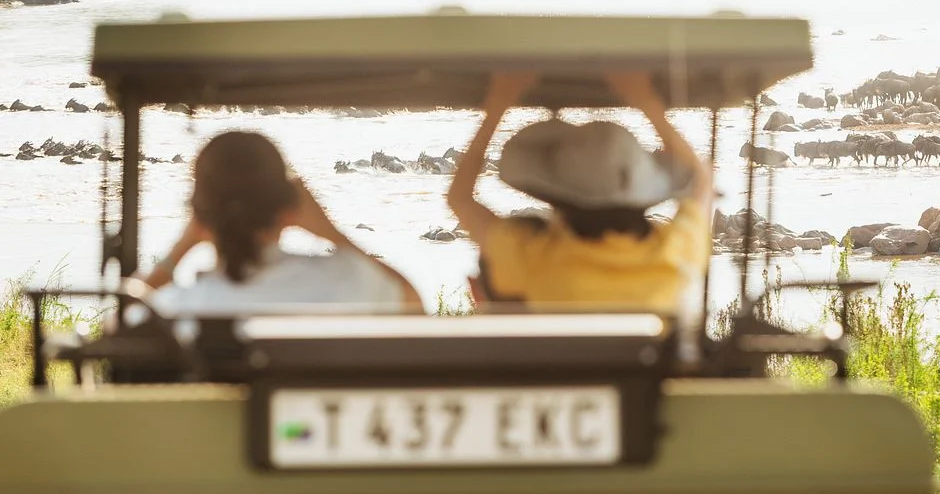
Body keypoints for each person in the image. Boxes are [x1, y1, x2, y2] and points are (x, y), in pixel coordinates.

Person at [447, 72, 712, 313]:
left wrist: (497, 106)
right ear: (641, 190)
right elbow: (702, 179)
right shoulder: (675, 252)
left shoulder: (537, 258)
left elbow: (459, 198)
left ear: (557, 194)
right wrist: (646, 101)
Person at [141, 131, 422, 315]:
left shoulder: (176, 308)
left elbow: (118, 324)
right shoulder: (349, 283)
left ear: (199, 216)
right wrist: (331, 233)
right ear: (288, 209)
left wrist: (182, 246)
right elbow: (413, 304)